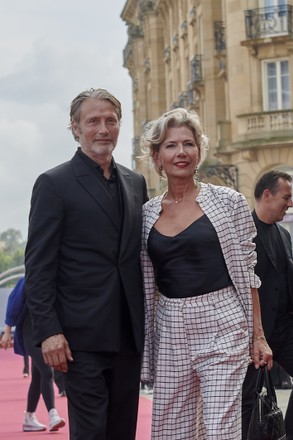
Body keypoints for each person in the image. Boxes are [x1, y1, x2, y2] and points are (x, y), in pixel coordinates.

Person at [140, 107, 272, 439]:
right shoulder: (145, 214)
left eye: (189, 143)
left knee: (219, 428)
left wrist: (258, 336)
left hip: (223, 322)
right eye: (171, 145)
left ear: (200, 151)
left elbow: (248, 273)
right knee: (173, 430)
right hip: (170, 326)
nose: (180, 152)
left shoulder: (229, 202)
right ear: (157, 156)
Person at [25, 88, 148, 440]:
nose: (103, 129)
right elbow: (38, 265)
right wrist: (48, 331)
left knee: (122, 430)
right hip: (78, 339)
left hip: (127, 333)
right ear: (75, 128)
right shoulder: (54, 183)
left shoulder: (135, 182)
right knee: (91, 431)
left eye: (111, 120)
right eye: (93, 121)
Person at [242, 169, 293, 439]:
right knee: (251, 402)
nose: (291, 203)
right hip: (254, 334)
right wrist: (254, 335)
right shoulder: (244, 234)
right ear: (267, 195)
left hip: (284, 329)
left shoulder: (284, 236)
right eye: (286, 197)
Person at [1, 277, 65, 432]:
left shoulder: (58, 279)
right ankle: (53, 415)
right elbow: (14, 303)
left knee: (38, 377)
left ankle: (29, 417)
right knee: (47, 371)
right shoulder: (27, 280)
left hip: (47, 332)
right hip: (29, 332)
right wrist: (7, 331)